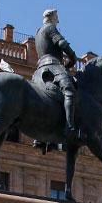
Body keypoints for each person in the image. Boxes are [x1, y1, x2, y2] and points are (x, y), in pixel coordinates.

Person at [35, 9, 79, 137]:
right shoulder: (50, 28)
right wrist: (73, 57)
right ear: (52, 18)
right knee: (69, 91)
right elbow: (62, 44)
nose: (58, 21)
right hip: (53, 66)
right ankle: (70, 126)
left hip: (39, 70)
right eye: (57, 18)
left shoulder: (38, 31)